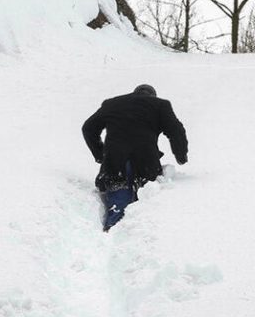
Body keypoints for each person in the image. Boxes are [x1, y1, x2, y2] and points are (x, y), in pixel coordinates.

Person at [81, 84, 189, 231]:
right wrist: (181, 156)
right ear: (152, 96)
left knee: (119, 195)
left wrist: (100, 154)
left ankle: (113, 227)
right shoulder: (160, 105)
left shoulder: (112, 103)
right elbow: (176, 131)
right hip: (146, 161)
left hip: (115, 161)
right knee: (144, 200)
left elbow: (88, 128)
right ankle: (132, 236)